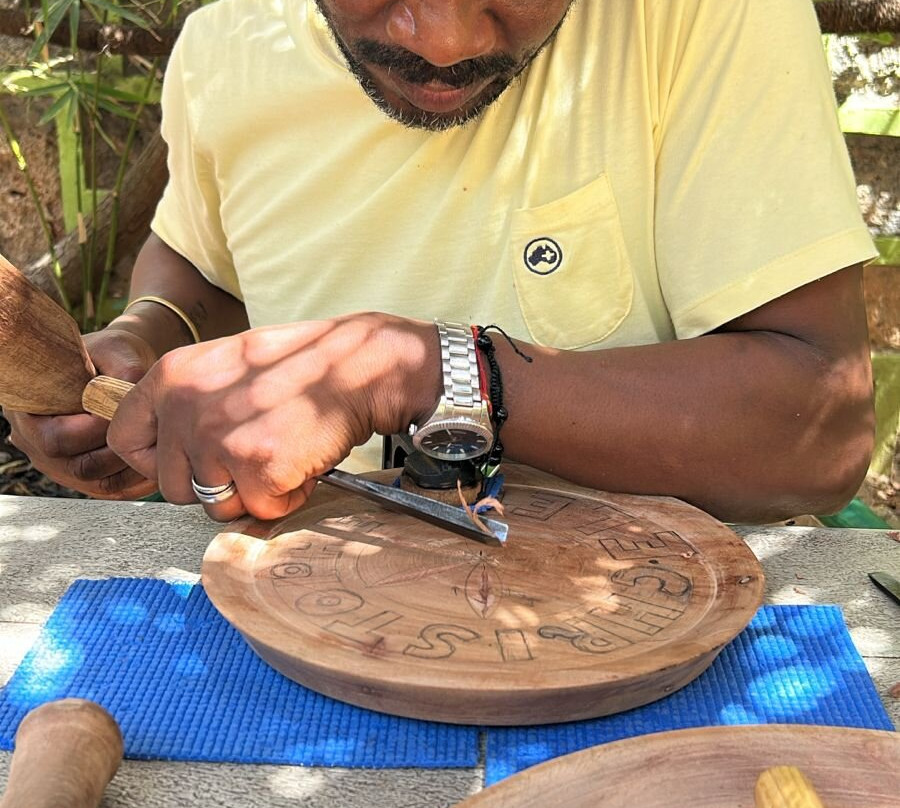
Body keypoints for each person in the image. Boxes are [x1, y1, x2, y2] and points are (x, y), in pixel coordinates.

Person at [7, 0, 877, 526]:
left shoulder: (710, 17)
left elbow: (816, 431)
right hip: (304, 603)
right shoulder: (227, 41)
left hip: (651, 629)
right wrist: (148, 339)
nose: (447, 40)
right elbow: (202, 266)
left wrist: (415, 369)